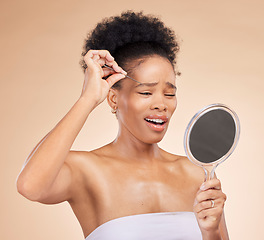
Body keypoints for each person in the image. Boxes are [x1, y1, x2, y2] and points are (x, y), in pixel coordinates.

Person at [16, 11, 228, 240]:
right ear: (113, 98)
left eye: (169, 93)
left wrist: (211, 231)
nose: (161, 104)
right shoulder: (87, 170)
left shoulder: (197, 172)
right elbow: (30, 186)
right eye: (146, 92)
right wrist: (87, 99)